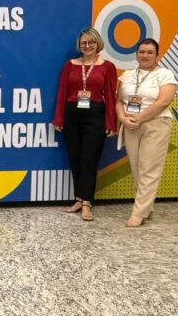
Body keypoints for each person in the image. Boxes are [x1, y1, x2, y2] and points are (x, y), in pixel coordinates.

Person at [52, 28, 117, 221]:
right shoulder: (70, 66)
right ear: (79, 46)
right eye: (83, 43)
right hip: (72, 114)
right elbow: (62, 93)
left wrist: (111, 122)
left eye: (91, 42)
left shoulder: (107, 67)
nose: (87, 46)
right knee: (75, 158)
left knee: (90, 158)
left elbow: (111, 96)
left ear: (98, 44)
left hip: (95, 116)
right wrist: (59, 118)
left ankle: (87, 202)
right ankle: (79, 199)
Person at [116, 39, 178, 228]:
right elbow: (118, 101)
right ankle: (146, 206)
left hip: (155, 124)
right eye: (142, 52)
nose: (145, 55)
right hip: (130, 125)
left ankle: (138, 213)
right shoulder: (127, 75)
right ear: (136, 54)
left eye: (150, 52)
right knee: (137, 168)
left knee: (149, 169)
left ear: (157, 55)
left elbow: (164, 101)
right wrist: (123, 118)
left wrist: (140, 118)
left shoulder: (165, 74)